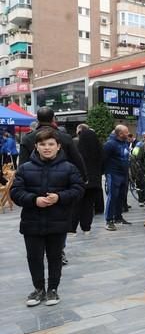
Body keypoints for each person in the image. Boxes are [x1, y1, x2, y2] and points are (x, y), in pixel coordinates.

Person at [10, 128, 84, 306]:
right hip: (32, 222)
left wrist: (59, 197)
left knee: (54, 257)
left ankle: (52, 289)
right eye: (42, 144)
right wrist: (34, 200)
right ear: (36, 146)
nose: (47, 148)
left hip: (57, 221)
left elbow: (78, 189)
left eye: (51, 144)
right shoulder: (25, 168)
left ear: (58, 146)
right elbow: (16, 192)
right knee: (34, 257)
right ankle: (38, 289)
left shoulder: (69, 168)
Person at [19, 107, 87, 265]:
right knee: (61, 218)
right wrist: (82, 178)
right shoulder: (64, 136)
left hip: (34, 186)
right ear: (53, 118)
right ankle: (58, 249)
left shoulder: (28, 138)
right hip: (61, 184)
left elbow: (22, 165)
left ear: (37, 118)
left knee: (37, 218)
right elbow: (77, 160)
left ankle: (41, 251)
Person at [71, 124, 103, 235]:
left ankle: (72, 228)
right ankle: (86, 228)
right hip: (94, 181)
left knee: (76, 204)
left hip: (80, 180)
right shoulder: (98, 148)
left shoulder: (77, 147)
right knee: (88, 205)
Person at [103, 124, 131, 231]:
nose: (128, 134)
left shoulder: (125, 142)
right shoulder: (109, 145)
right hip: (113, 173)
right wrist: (107, 172)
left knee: (121, 196)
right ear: (120, 134)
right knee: (113, 196)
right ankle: (109, 220)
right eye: (126, 132)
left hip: (124, 173)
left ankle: (118, 217)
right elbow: (103, 159)